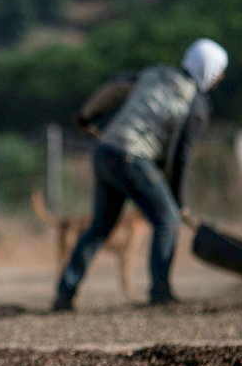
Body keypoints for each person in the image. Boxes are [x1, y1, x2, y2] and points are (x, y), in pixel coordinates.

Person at [51, 38, 229, 310]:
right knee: (167, 220)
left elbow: (113, 89)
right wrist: (177, 202)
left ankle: (65, 293)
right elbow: (181, 157)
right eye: (219, 73)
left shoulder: (154, 74)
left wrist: (87, 115)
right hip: (132, 158)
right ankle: (161, 293)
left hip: (105, 152)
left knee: (99, 227)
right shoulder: (196, 105)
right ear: (211, 72)